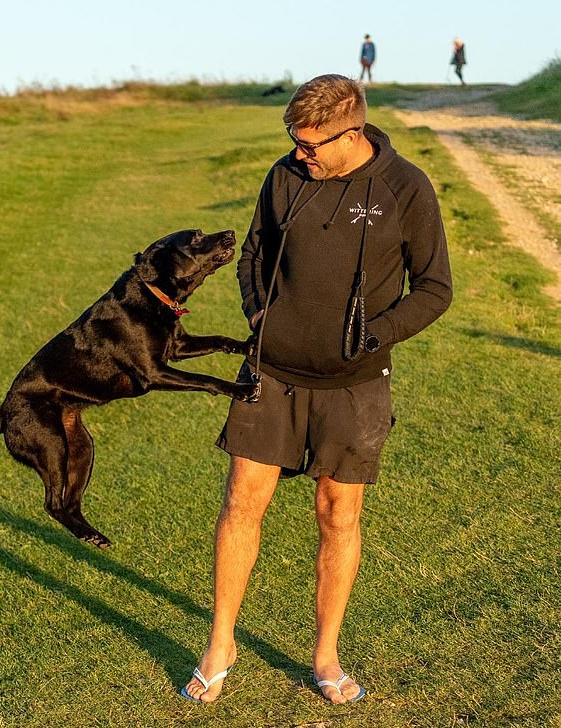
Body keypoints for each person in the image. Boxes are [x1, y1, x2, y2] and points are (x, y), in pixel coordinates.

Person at [181, 74, 452, 705]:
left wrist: (374, 335)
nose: (301, 153)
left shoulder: (404, 188)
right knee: (241, 505)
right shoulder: (284, 177)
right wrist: (259, 317)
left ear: (352, 131)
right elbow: (253, 255)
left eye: (312, 144)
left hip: (354, 385)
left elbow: (435, 287)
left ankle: (325, 655)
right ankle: (220, 644)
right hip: (271, 373)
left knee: (339, 513)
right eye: (293, 140)